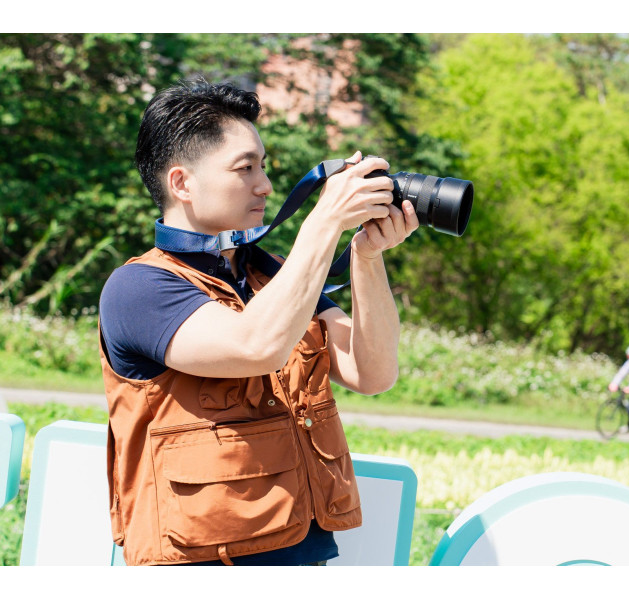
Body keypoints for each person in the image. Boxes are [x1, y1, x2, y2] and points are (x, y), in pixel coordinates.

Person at [98, 79, 419, 566]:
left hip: (302, 554)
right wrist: (324, 222)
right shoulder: (138, 287)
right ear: (182, 183)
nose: (265, 185)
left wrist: (367, 257)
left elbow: (372, 373)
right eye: (245, 168)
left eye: (263, 166)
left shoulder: (273, 275)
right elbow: (255, 347)